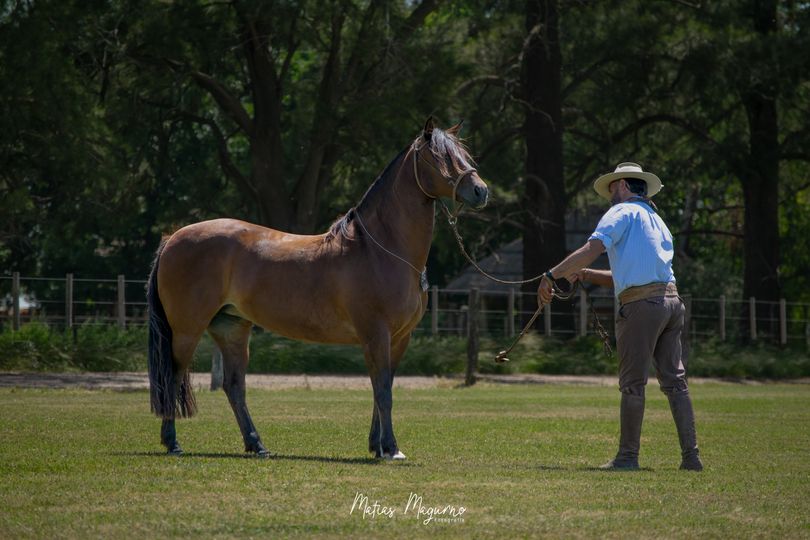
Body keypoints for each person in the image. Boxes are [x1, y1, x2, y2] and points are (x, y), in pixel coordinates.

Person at [537, 162, 703, 471]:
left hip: (641, 308)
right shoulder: (657, 220)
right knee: (676, 383)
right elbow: (628, 275)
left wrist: (552, 274)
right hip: (671, 304)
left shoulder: (621, 212)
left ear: (624, 186)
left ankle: (627, 458)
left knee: (632, 384)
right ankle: (691, 458)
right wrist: (584, 274)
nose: (610, 194)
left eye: (613, 187)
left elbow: (592, 247)